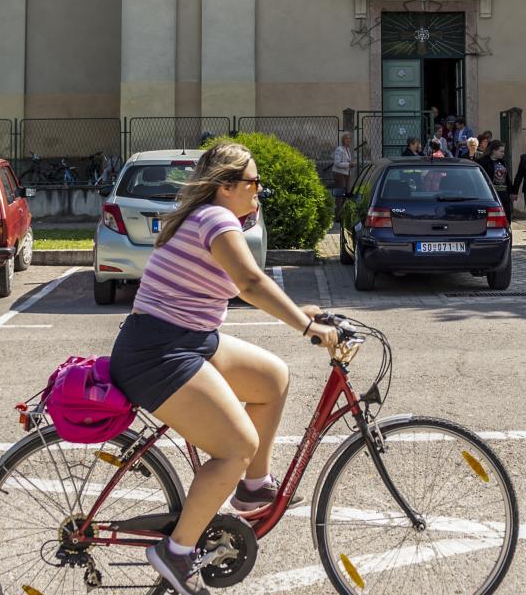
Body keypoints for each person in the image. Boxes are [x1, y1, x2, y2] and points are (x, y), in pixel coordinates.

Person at [108, 143, 341, 594]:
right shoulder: (215, 218)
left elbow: (235, 287)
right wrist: (306, 326)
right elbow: (250, 282)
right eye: (253, 182)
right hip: (158, 353)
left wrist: (299, 310)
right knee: (237, 446)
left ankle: (253, 488)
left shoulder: (206, 219)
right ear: (226, 186)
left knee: (272, 377)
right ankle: (176, 553)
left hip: (188, 341)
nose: (259, 190)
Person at [477, 139, 514, 225]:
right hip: (491, 194)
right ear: (494, 150)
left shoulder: (502, 162)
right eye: (501, 151)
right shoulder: (483, 162)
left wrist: (511, 192)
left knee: (506, 219)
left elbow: (507, 179)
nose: (503, 153)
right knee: (494, 221)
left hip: (504, 194)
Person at [329, 132, 353, 230]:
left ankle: (343, 214)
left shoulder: (347, 150)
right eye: (347, 139)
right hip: (339, 174)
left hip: (346, 174)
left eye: (350, 139)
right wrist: (348, 164)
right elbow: (337, 163)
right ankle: (337, 216)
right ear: (343, 140)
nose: (349, 140)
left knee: (346, 194)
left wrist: (350, 164)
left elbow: (347, 161)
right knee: (340, 194)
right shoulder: (339, 149)